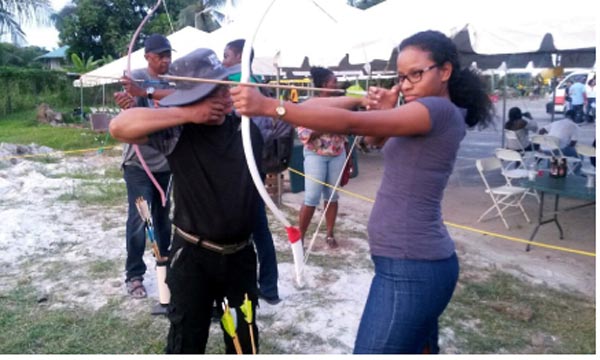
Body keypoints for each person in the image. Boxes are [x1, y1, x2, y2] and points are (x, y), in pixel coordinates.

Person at [231, 30, 493, 354]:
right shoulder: (424, 112)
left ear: (446, 71)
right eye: (401, 77)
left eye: (416, 74)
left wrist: (270, 106)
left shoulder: (436, 111)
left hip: (412, 266)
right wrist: (364, 102)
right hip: (412, 262)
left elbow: (351, 126)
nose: (407, 84)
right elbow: (369, 138)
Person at [110, 48, 262, 354]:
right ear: (192, 95)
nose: (221, 97)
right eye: (210, 91)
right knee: (186, 341)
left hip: (240, 255)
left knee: (244, 342)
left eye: (222, 88)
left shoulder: (247, 128)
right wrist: (188, 113)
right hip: (193, 256)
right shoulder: (177, 131)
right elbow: (119, 127)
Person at [113, 33, 174, 301]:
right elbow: (128, 112)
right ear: (147, 57)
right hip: (138, 164)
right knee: (141, 219)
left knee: (163, 220)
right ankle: (134, 275)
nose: (165, 60)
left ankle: (166, 270)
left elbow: (176, 98)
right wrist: (128, 101)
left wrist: (144, 92)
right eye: (160, 56)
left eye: (168, 55)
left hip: (166, 163)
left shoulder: (175, 81)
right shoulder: (134, 76)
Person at [221, 39, 281, 305]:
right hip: (254, 171)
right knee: (260, 232)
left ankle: (226, 293)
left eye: (226, 55)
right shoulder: (257, 86)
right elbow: (266, 131)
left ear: (237, 57)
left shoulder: (228, 83)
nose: (222, 61)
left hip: (234, 173)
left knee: (225, 234)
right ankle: (269, 288)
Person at [296, 66, 347, 249]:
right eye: (334, 81)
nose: (337, 84)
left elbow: (349, 126)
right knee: (311, 197)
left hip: (337, 153)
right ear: (325, 85)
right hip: (315, 155)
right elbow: (304, 134)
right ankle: (300, 238)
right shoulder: (309, 105)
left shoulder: (340, 103)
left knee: (332, 196)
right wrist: (327, 125)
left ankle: (330, 234)